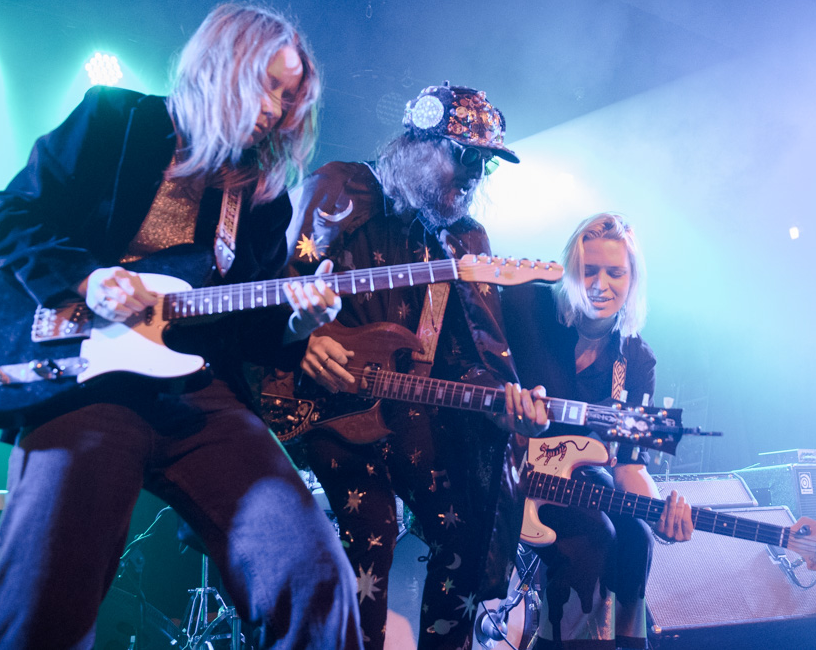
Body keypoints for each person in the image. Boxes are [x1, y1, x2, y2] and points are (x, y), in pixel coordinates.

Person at [0, 3, 363, 650]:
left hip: (200, 397)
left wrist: (299, 321)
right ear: (225, 63)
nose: (275, 108)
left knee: (314, 574)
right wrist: (88, 278)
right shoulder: (115, 119)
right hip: (85, 383)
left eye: (289, 97)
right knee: (40, 598)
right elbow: (11, 215)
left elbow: (252, 332)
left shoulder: (261, 196)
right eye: (268, 82)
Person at [282, 82, 544, 650]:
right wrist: (304, 341)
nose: (475, 176)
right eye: (464, 156)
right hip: (324, 407)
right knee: (372, 535)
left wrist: (502, 399)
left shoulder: (463, 240)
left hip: (407, 413)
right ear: (420, 146)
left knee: (468, 530)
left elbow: (467, 357)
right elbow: (274, 285)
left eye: (485, 165)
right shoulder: (339, 190)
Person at [500, 213, 694, 649]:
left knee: (637, 537)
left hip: (573, 479)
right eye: (589, 271)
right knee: (593, 535)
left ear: (632, 279)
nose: (600, 284)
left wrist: (661, 514)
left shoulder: (635, 360)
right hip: (504, 467)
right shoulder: (526, 308)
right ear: (572, 271)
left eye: (615, 272)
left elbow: (629, 467)